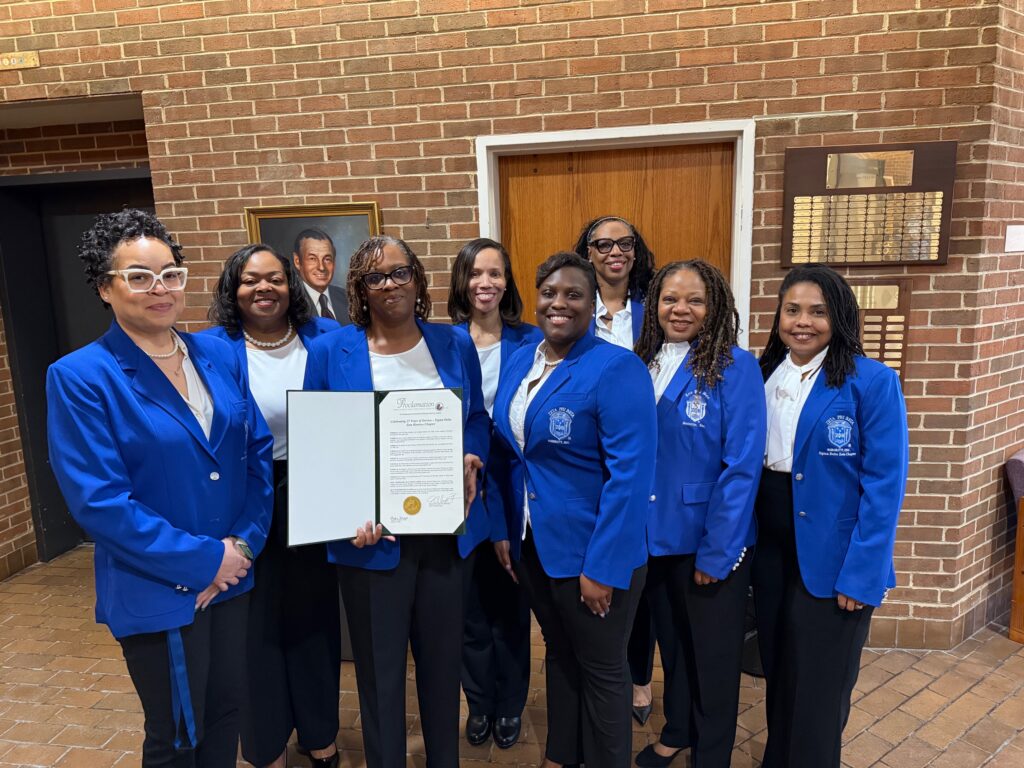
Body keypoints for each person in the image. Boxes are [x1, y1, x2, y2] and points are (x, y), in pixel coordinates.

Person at [46, 209, 274, 767]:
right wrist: (203, 562)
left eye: (170, 273)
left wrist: (241, 547)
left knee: (225, 716)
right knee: (176, 739)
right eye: (140, 276)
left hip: (233, 579)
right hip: (161, 589)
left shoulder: (219, 354)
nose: (160, 289)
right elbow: (99, 501)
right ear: (105, 287)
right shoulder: (81, 376)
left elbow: (256, 454)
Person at [303, 235, 490, 768]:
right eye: (376, 277)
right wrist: (342, 516)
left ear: (417, 278)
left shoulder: (453, 344)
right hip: (369, 542)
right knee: (379, 675)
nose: (390, 284)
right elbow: (320, 438)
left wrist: (474, 455)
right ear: (360, 288)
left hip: (443, 537)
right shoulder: (329, 351)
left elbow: (476, 418)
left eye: (399, 272)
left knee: (440, 666)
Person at [490, 251, 657, 768]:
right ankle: (563, 754)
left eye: (573, 295)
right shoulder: (524, 357)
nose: (558, 303)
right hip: (535, 543)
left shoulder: (616, 367)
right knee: (560, 655)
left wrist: (602, 568)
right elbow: (511, 453)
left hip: (593, 552)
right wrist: (504, 529)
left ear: (592, 305)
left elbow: (631, 478)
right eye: (549, 293)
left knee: (605, 671)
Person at [754, 264, 909, 768]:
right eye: (793, 310)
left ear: (840, 316)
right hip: (772, 548)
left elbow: (884, 487)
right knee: (779, 670)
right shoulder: (764, 374)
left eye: (818, 312)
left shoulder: (871, 381)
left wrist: (862, 575)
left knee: (820, 684)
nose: (804, 322)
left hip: (835, 554)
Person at [206, 244, 341, 768]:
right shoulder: (209, 349)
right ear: (232, 290)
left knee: (314, 617)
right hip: (245, 498)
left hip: (318, 489)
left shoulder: (327, 339)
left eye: (275, 279)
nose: (263, 288)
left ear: (293, 285)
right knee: (253, 623)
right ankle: (263, 744)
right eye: (249, 280)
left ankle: (320, 733)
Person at [632, 261, 766, 768]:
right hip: (654, 538)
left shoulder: (735, 366)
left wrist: (719, 549)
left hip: (710, 541)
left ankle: (711, 755)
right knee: (676, 648)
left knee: (712, 659)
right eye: (670, 299)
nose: (680, 309)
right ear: (655, 305)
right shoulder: (639, 360)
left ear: (714, 308)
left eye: (694, 300)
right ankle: (679, 729)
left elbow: (742, 465)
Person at [446, 237, 541, 749]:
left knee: (510, 604)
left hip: (511, 486)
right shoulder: (442, 342)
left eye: (496, 273)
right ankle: (478, 702)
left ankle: (509, 705)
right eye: (476, 273)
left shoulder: (531, 341)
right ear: (462, 281)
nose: (486, 282)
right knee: (468, 609)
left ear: (508, 281)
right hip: (455, 490)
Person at [572, 215, 666, 722]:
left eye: (625, 243)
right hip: (589, 459)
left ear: (636, 250)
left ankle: (640, 677)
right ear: (587, 251)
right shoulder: (574, 309)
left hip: (642, 457)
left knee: (640, 578)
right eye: (602, 243)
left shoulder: (652, 312)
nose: (614, 251)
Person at [293, 228, 349, 324]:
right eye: (312, 258)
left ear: (334, 262)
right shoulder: (290, 302)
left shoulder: (348, 298)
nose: (321, 267)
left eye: (327, 259)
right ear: (297, 261)